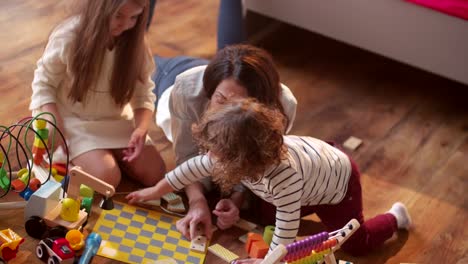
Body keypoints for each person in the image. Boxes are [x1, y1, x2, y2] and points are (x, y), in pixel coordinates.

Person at [126, 98, 412, 258]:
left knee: (355, 245)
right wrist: (152, 191)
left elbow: (283, 238)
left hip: (337, 186)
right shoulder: (238, 156)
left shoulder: (283, 182)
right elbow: (187, 171)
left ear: (241, 160)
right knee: (261, 215)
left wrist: (262, 261)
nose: (207, 155)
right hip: (312, 169)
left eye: (215, 152)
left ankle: (396, 218)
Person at [29, 0, 166, 188]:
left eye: (134, 17)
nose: (126, 25)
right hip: (71, 120)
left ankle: (100, 156)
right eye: (118, 16)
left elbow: (144, 95)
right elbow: (44, 85)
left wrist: (141, 129)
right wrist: (56, 125)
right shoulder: (69, 36)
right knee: (108, 177)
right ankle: (88, 158)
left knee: (155, 173)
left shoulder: (134, 42)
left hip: (114, 120)